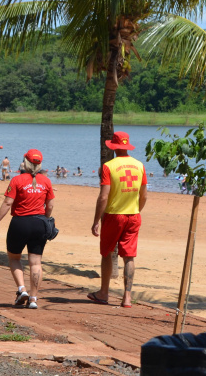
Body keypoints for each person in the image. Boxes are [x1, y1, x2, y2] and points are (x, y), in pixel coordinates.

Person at [0, 149, 55, 310]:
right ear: (39, 164)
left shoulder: (17, 180)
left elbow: (7, 203)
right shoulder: (46, 181)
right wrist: (46, 218)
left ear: (25, 162)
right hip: (39, 223)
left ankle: (22, 289)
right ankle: (33, 298)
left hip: (20, 223)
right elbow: (50, 205)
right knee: (36, 262)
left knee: (14, 258)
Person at [89, 131, 147, 309]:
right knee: (129, 256)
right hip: (134, 215)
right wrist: (136, 210)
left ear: (113, 146)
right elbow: (144, 195)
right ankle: (127, 298)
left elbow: (103, 197)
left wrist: (96, 220)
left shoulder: (109, 166)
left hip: (114, 215)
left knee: (107, 252)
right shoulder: (139, 165)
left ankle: (104, 293)